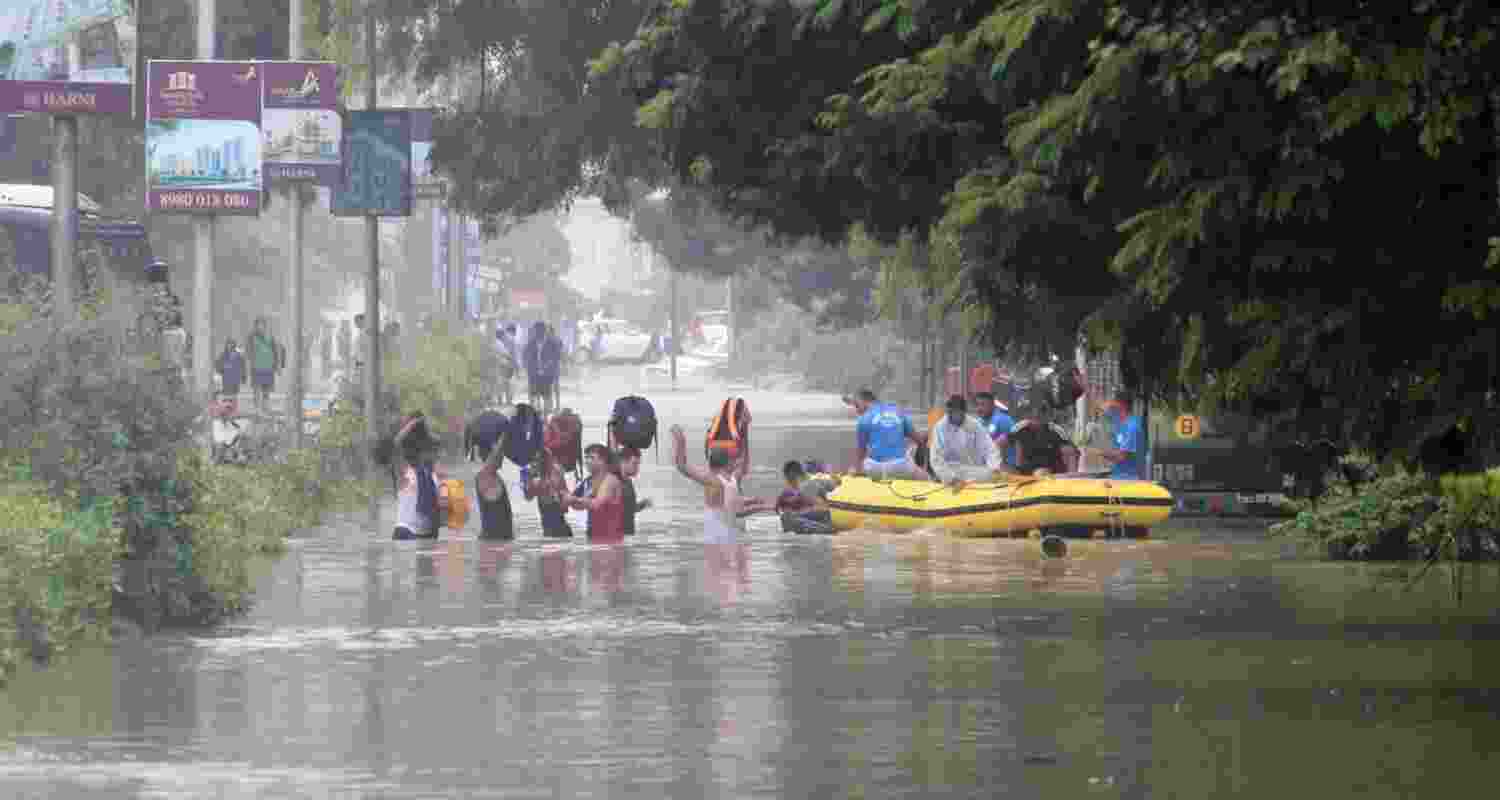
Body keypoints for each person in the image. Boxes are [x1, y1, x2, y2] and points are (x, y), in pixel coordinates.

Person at [670, 425, 767, 544]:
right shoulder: (720, 480)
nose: (737, 462)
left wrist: (680, 440)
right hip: (723, 538)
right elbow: (682, 467)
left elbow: (682, 466)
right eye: (734, 459)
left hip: (723, 538)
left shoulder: (723, 479)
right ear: (729, 462)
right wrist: (681, 441)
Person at [379, 413, 445, 539]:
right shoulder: (404, 471)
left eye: (434, 449)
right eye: (430, 448)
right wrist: (412, 424)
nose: (435, 453)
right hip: (406, 533)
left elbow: (440, 509)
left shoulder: (433, 474)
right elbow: (390, 449)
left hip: (429, 536)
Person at [928, 394, 1008, 485]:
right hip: (950, 470)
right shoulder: (940, 427)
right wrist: (950, 478)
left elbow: (990, 449)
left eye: (956, 412)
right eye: (950, 412)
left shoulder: (974, 425)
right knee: (946, 475)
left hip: (972, 470)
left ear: (963, 412)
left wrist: (995, 468)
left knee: (997, 476)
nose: (952, 415)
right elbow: (936, 459)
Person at [849, 389, 928, 480]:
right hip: (900, 467)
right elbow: (920, 441)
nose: (856, 410)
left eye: (857, 406)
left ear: (864, 402)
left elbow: (861, 453)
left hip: (874, 469)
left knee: (857, 468)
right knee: (926, 478)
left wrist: (856, 471)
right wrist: (921, 465)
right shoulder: (898, 412)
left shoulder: (863, 419)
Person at [566, 444, 626, 542]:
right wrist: (566, 499)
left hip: (611, 537)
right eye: (586, 458)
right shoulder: (587, 481)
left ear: (603, 461)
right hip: (593, 535)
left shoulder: (610, 480)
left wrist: (575, 499)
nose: (587, 461)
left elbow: (597, 504)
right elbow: (577, 506)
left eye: (592, 458)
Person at [1088, 394, 1144, 479]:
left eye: (1113, 401)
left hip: (1130, 479)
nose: (1110, 404)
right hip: (1117, 475)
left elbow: (1121, 457)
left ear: (1122, 404)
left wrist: (1098, 453)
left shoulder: (1132, 427)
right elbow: (1099, 406)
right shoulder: (1118, 419)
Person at [474, 424, 514, 540]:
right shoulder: (484, 476)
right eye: (501, 453)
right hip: (492, 543)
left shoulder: (495, 477)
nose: (503, 456)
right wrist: (505, 434)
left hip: (501, 542)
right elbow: (495, 455)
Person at [777, 460, 840, 534]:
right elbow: (836, 483)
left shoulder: (805, 486)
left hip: (826, 523)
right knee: (790, 516)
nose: (787, 482)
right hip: (832, 515)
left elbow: (823, 509)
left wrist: (797, 514)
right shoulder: (817, 479)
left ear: (792, 475)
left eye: (786, 478)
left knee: (786, 517)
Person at [524, 448, 573, 538]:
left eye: (537, 460)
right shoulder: (536, 478)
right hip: (548, 529)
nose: (534, 464)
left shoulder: (554, 473)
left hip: (559, 529)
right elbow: (528, 497)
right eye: (532, 461)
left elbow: (553, 491)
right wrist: (528, 479)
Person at [1010, 417, 1079, 476]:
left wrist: (1071, 476)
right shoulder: (1020, 428)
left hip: (1051, 470)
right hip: (1027, 471)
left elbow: (1071, 451)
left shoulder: (1054, 429)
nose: (1036, 415)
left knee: (1041, 472)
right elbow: (1001, 442)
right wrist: (1000, 462)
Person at [246, 317, 283, 414]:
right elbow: (248, 352)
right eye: (258, 325)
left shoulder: (270, 337)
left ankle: (265, 407)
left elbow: (276, 351)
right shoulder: (251, 337)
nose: (260, 327)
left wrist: (278, 366)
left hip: (268, 367)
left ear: (265, 326)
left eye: (262, 325)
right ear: (255, 326)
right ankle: (257, 408)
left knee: (266, 390)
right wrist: (248, 365)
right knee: (257, 388)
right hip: (256, 367)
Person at [618, 446, 653, 536]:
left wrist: (643, 504)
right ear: (623, 462)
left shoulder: (628, 483)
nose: (637, 468)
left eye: (638, 464)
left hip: (627, 537)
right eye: (634, 464)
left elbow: (630, 509)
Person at [973, 391, 1015, 460]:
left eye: (983, 405)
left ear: (992, 405)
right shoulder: (979, 422)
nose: (979, 408)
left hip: (1006, 466)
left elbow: (1014, 442)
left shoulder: (1003, 420)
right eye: (977, 405)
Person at [523, 321, 548, 411]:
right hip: (533, 373)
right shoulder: (530, 344)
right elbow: (525, 357)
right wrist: (527, 367)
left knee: (546, 395)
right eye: (536, 331)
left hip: (546, 374)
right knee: (533, 395)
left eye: (540, 330)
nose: (538, 333)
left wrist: (547, 368)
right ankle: (533, 411)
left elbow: (555, 357)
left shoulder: (550, 343)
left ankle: (545, 414)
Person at [494, 324, 518, 405]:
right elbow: (513, 353)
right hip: (507, 363)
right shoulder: (510, 340)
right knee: (508, 383)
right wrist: (514, 364)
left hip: (501, 364)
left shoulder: (497, 341)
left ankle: (501, 400)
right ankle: (508, 400)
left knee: (501, 383)